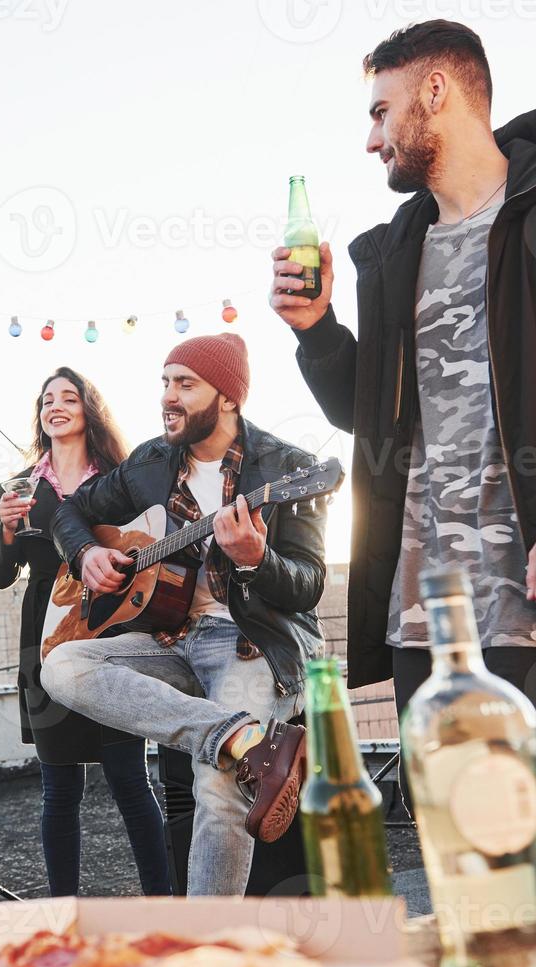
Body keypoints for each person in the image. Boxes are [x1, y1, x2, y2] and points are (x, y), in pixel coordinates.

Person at [270, 20, 536, 823]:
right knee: (442, 809)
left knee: (520, 803)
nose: (371, 139)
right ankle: (493, 951)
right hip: (420, 595)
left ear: (435, 92)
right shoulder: (398, 247)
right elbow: (372, 417)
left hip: (530, 573)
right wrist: (317, 330)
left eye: (379, 112)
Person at [40, 333, 328, 896]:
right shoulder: (151, 461)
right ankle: (243, 738)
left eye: (185, 385)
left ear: (227, 398)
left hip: (253, 642)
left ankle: (205, 946)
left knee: (218, 784)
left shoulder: (291, 468)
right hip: (173, 637)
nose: (168, 397)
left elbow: (308, 586)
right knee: (62, 666)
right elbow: (71, 511)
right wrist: (86, 553)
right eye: (165, 383)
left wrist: (257, 559)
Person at [0, 367, 171, 898]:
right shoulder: (18, 486)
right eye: (48, 399)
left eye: (69, 397)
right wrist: (4, 528)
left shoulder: (118, 475)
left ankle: (163, 904)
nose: (57, 405)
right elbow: (2, 573)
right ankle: (64, 913)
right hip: (43, 640)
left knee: (129, 781)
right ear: (40, 414)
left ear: (89, 409)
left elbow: (144, 545)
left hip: (111, 632)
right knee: (58, 789)